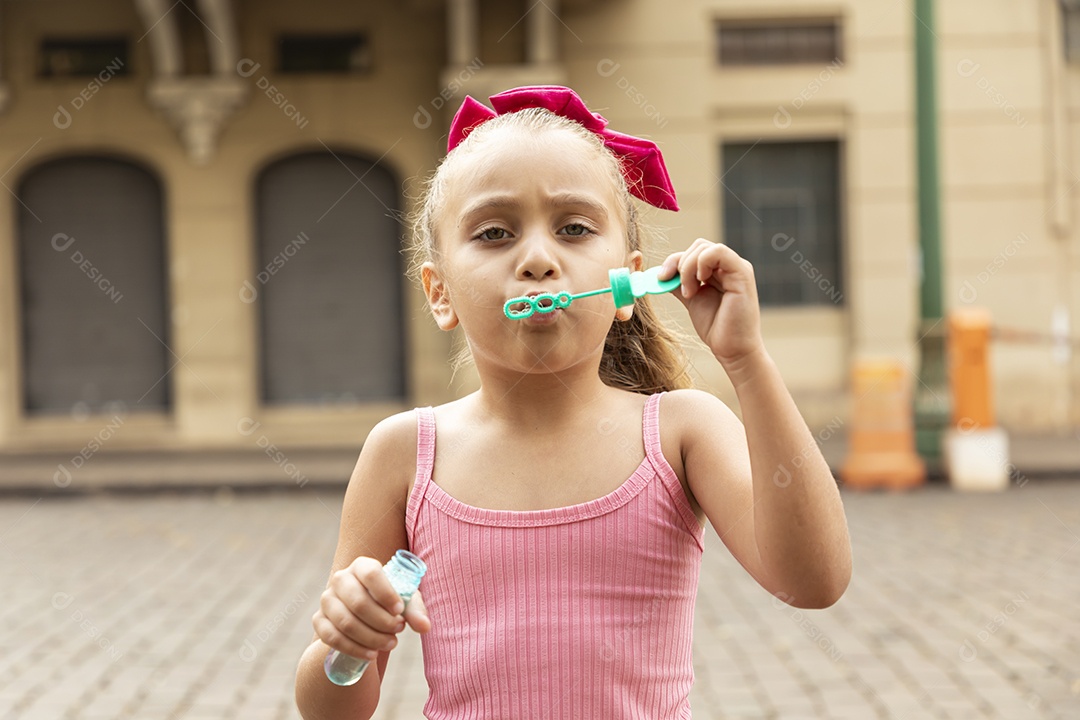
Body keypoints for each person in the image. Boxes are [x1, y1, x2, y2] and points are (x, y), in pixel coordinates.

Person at [295, 86, 852, 720]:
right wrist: (347, 643)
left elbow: (814, 582)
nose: (538, 259)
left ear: (628, 283)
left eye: (574, 228)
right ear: (440, 291)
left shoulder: (680, 431)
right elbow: (329, 710)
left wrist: (746, 360)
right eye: (495, 233)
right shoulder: (403, 453)